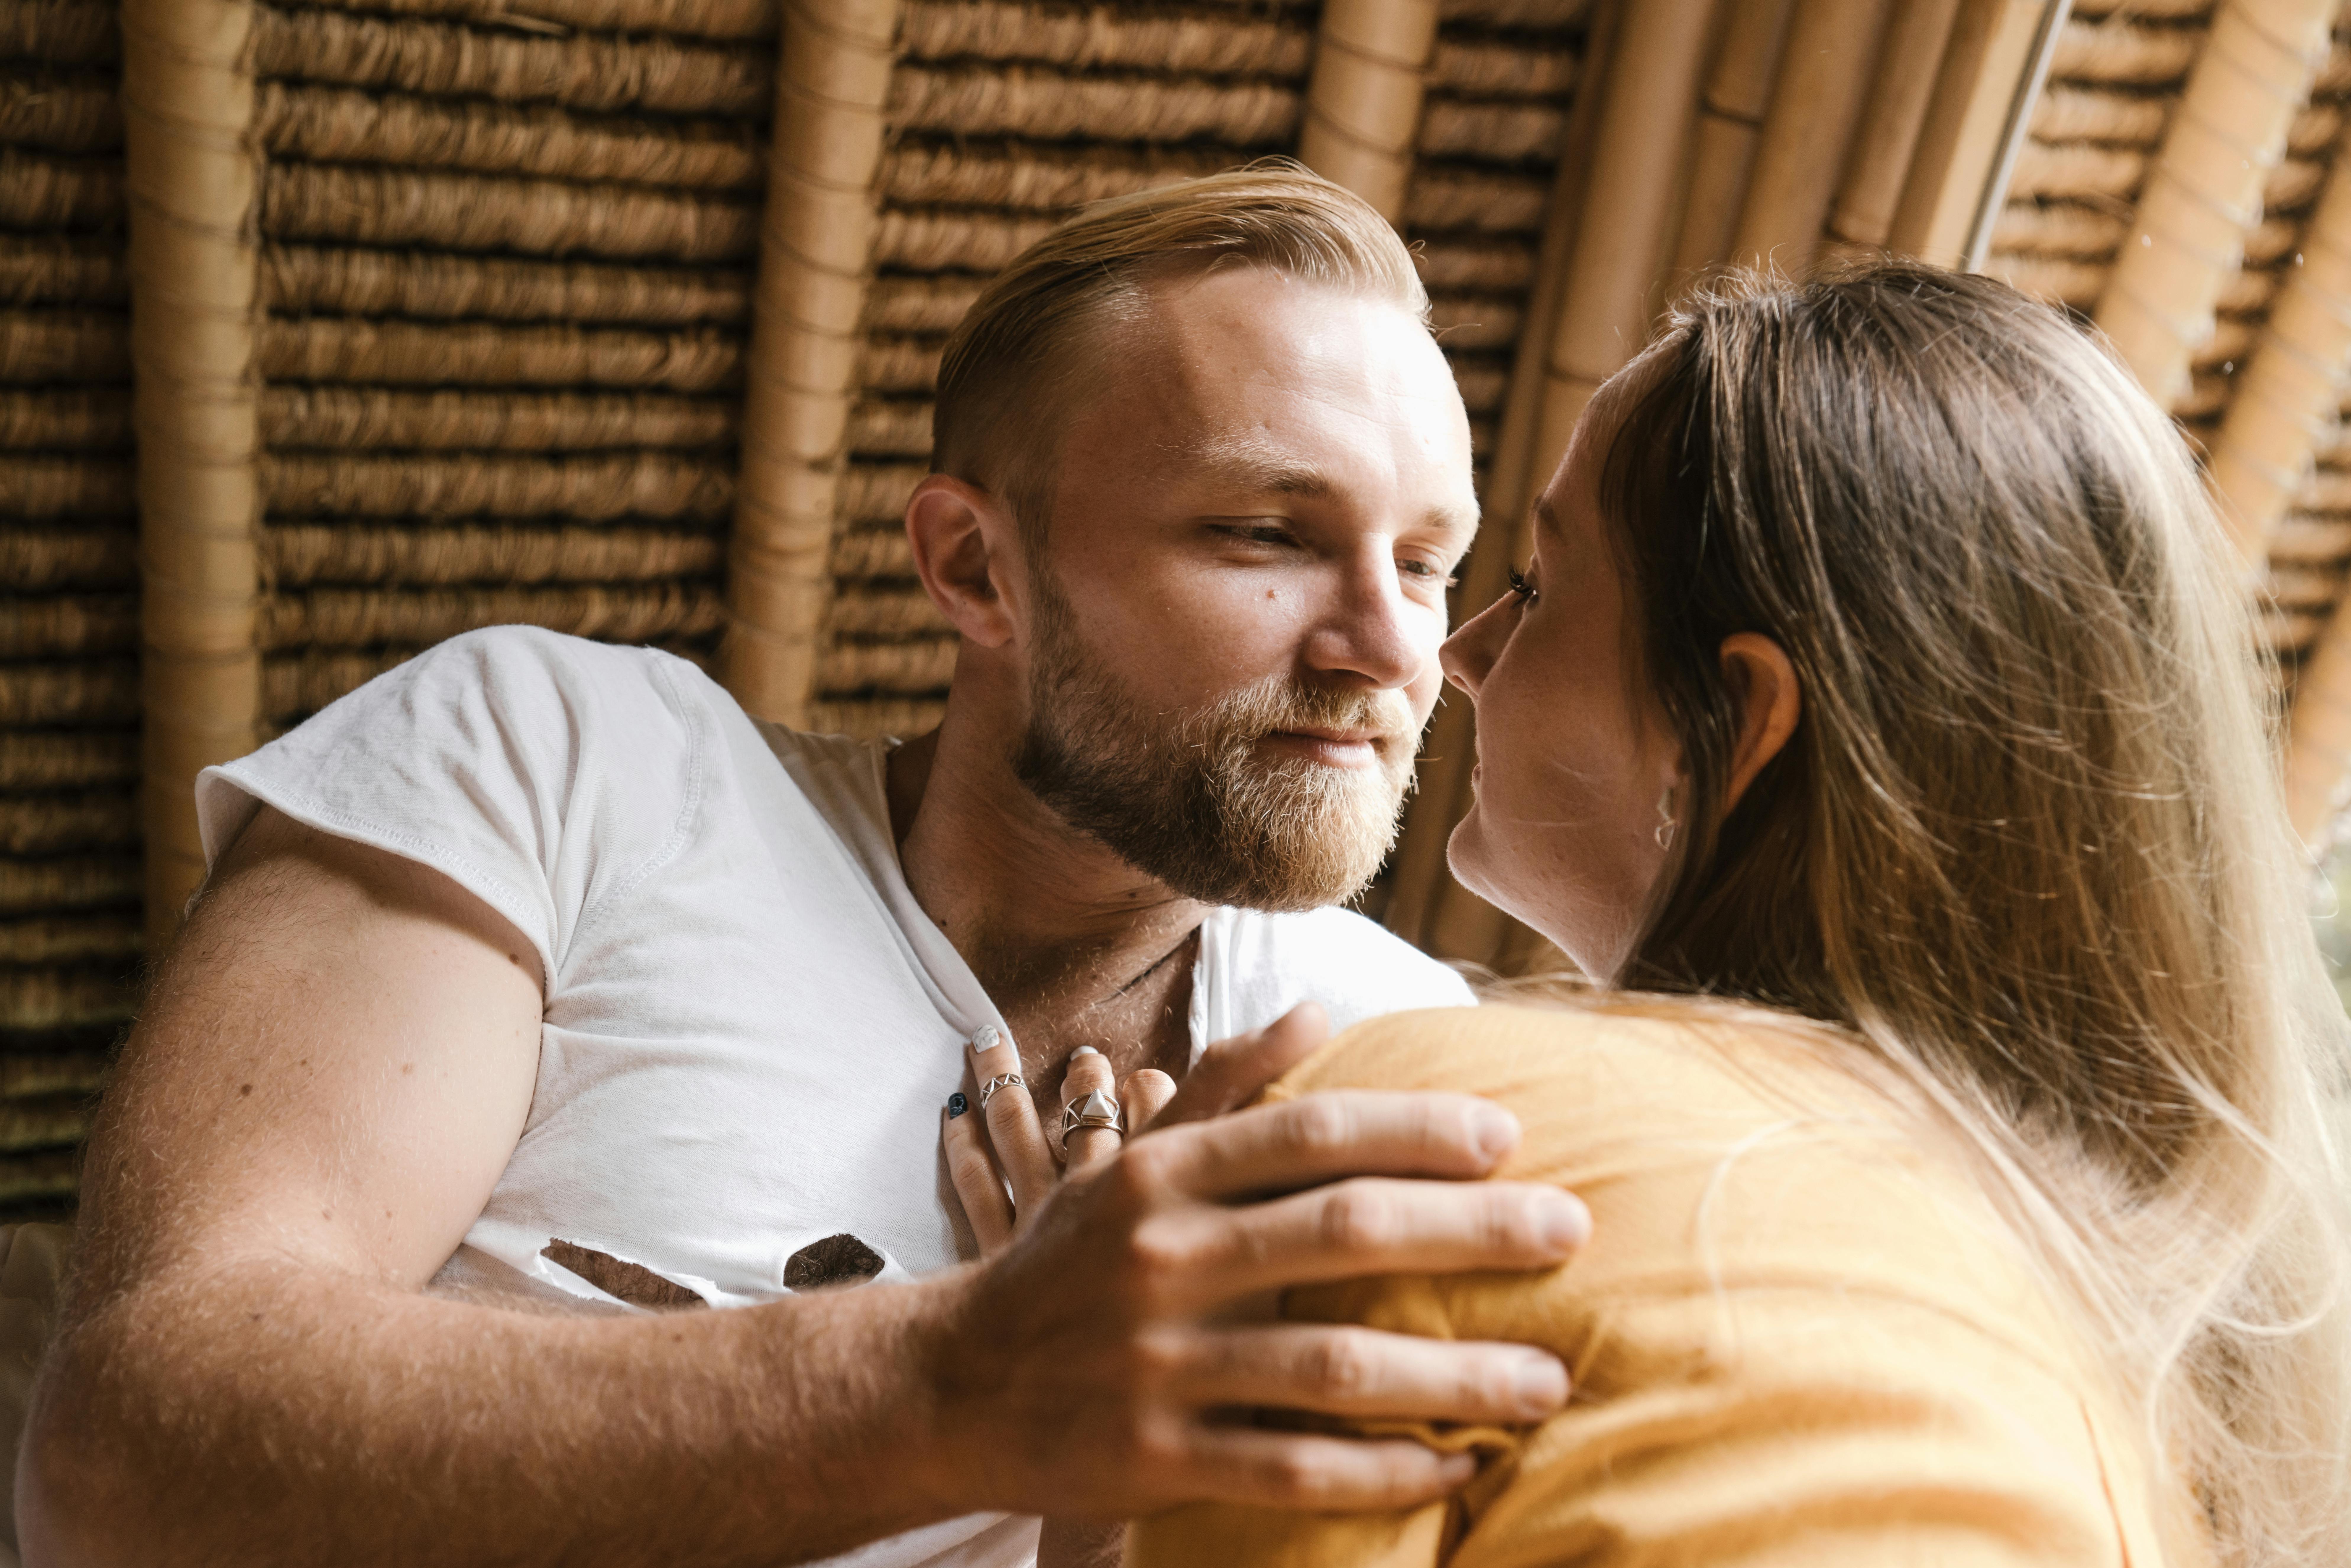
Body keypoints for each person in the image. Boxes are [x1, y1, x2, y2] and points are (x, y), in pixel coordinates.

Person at [17, 167, 1602, 1567]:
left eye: (1426, 560)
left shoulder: (1422, 1068)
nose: (1400, 647)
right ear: (975, 568)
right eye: (1266, 531)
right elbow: (128, 1466)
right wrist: (968, 1378)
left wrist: (1105, 1519)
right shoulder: (562, 760)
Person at [973, 265, 2351, 1566]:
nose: (1452, 652)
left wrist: (1091, 1461)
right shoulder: (2177, 1369)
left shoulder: (1432, 1149)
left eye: (1534, 580)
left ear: (1734, 725)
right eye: (1269, 535)